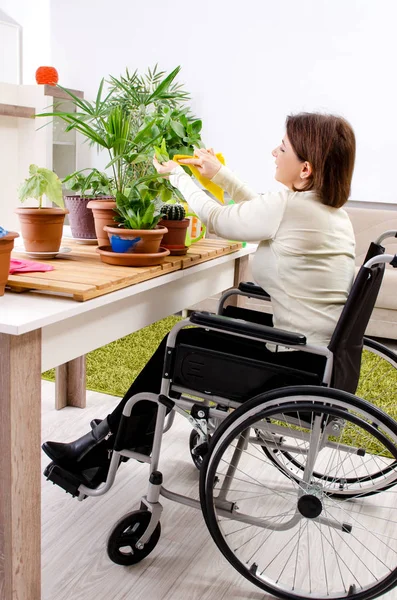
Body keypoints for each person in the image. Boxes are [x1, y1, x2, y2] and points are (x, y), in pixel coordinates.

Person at [42, 112, 356, 487]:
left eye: (283, 147)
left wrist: (179, 177)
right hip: (316, 361)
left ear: (305, 169)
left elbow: (220, 219)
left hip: (289, 367)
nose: (275, 151)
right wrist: (218, 175)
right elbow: (262, 210)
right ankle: (117, 435)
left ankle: (105, 447)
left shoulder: (291, 208)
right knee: (188, 336)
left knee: (182, 339)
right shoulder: (328, 212)